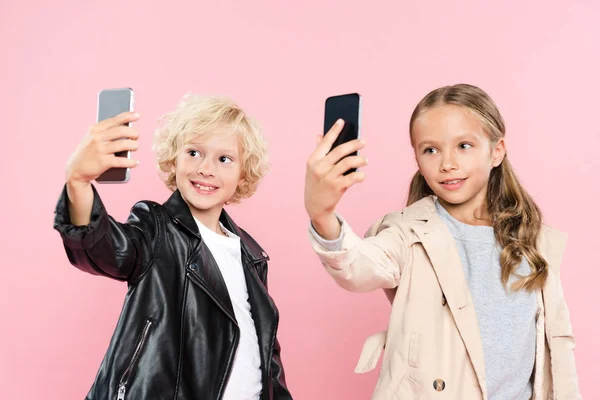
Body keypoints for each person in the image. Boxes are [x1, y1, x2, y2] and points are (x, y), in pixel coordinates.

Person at [304, 84, 580, 399]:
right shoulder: (405, 232)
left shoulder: (534, 241)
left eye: (464, 145)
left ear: (497, 151)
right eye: (430, 150)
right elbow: (357, 266)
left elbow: (558, 348)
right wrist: (322, 215)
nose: (446, 163)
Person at [54, 94, 292, 399]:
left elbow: (268, 357)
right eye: (194, 152)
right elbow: (108, 250)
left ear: (242, 173)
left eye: (224, 159)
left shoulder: (252, 254)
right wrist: (78, 182)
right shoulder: (156, 227)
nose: (206, 169)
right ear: (173, 158)